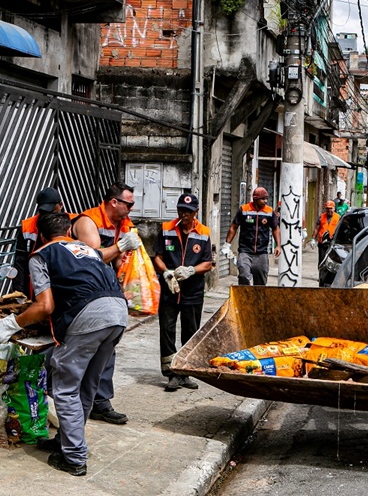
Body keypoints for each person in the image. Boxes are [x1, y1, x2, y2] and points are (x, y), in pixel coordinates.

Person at [0, 213, 129, 477]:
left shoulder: (42, 255)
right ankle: (67, 440)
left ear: (41, 236)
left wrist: (10, 324)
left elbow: (45, 305)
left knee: (65, 388)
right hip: (118, 313)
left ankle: (74, 458)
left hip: (89, 316)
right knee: (87, 384)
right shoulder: (88, 250)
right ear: (70, 232)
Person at [71, 181, 141, 425]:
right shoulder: (88, 221)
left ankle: (99, 402)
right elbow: (92, 257)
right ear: (114, 202)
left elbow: (120, 261)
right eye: (129, 204)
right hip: (83, 293)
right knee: (81, 350)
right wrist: (121, 246)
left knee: (107, 347)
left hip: (107, 292)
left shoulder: (123, 224)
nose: (131, 209)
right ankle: (73, 402)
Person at [153, 193, 213, 392]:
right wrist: (166, 272)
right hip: (169, 290)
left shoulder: (203, 233)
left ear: (196, 212)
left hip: (193, 292)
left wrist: (191, 270)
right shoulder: (166, 229)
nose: (183, 214)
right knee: (167, 330)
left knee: (190, 331)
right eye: (181, 210)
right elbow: (158, 257)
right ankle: (171, 373)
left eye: (188, 211)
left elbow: (208, 263)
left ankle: (185, 372)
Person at [12, 187, 76, 296]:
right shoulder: (28, 227)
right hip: (38, 285)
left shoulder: (75, 223)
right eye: (44, 212)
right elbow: (20, 263)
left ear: (61, 205)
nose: (48, 216)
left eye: (51, 211)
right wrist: (19, 294)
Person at [222, 186, 281, 286]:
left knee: (260, 283)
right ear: (255, 199)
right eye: (263, 199)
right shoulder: (244, 210)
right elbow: (234, 227)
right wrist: (227, 244)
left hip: (262, 252)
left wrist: (278, 245)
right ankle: (245, 295)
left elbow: (275, 228)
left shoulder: (269, 212)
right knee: (243, 275)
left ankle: (257, 296)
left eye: (266, 198)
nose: (265, 201)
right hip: (245, 251)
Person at [314, 201, 340, 266]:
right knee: (322, 261)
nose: (329, 210)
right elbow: (317, 228)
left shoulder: (338, 217)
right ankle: (321, 271)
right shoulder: (322, 216)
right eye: (327, 208)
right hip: (322, 243)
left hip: (333, 243)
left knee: (332, 262)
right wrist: (313, 239)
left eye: (331, 208)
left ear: (334, 208)